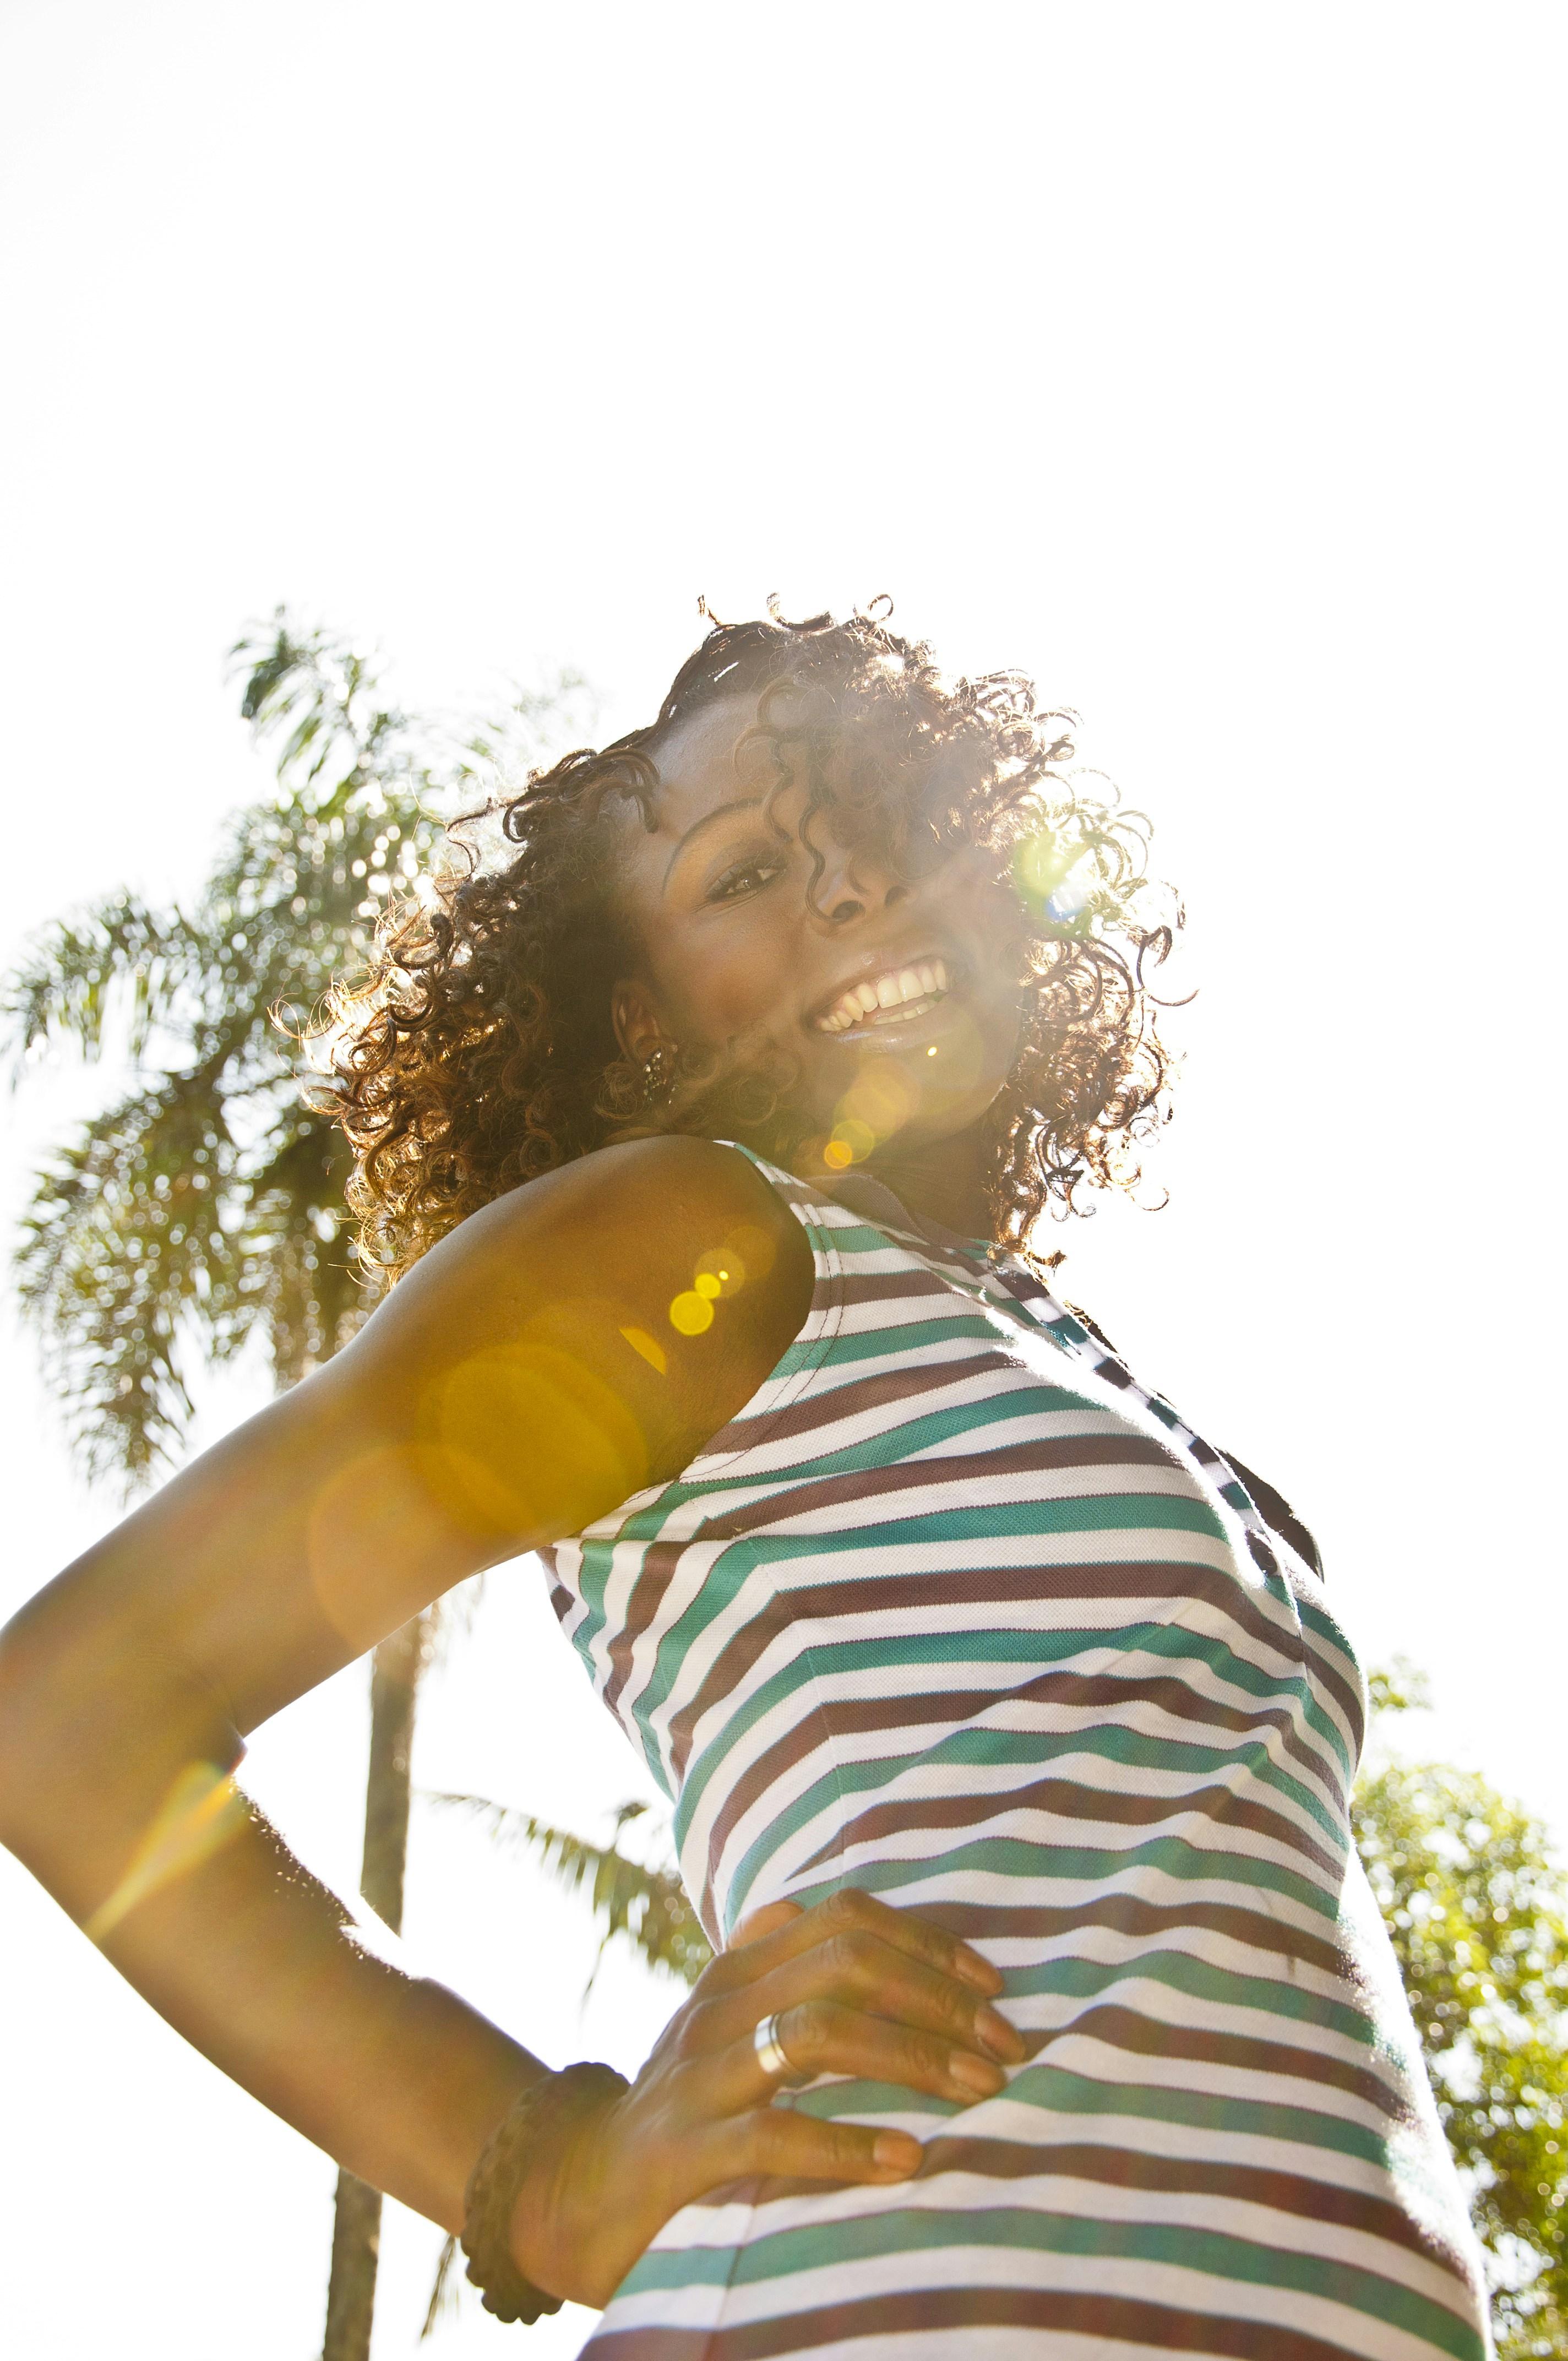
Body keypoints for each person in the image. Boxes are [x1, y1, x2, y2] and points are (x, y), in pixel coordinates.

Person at [0, 609, 1491, 2360]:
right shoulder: (692, 1239)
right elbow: (66, 1716)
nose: (853, 885)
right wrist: (542, 2174)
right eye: (746, 873)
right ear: (633, 1023)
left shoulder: (1028, 1340)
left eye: (884, 821)